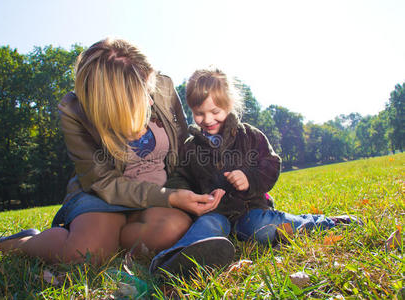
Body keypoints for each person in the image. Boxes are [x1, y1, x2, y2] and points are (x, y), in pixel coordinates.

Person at [0, 39, 233, 270]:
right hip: (103, 195)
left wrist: (188, 187)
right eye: (141, 94)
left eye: (149, 89)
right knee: (86, 255)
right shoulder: (74, 111)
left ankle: (111, 237)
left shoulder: (163, 85)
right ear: (111, 103)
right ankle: (19, 244)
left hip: (159, 191)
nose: (150, 101)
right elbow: (103, 182)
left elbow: (181, 146)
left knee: (173, 230)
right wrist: (171, 198)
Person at [150, 68, 362, 274]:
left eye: (215, 112)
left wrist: (249, 178)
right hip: (214, 213)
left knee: (263, 229)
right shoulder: (191, 146)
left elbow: (271, 164)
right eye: (199, 114)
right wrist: (191, 196)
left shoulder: (250, 136)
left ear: (229, 105)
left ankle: (326, 223)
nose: (207, 120)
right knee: (206, 227)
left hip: (250, 210)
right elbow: (179, 178)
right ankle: (174, 260)